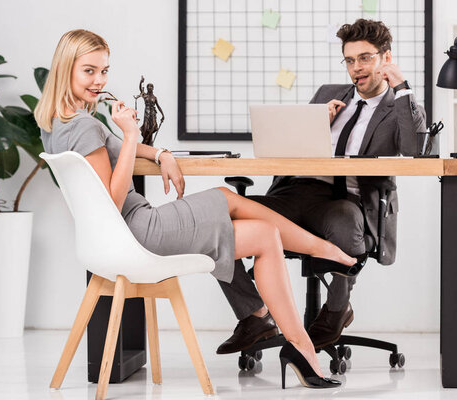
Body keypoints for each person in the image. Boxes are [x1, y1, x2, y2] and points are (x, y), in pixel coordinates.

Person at [34, 29, 364, 389]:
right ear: (66, 69)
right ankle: (323, 254)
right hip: (137, 231)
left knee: (264, 235)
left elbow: (113, 149)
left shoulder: (60, 122)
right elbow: (110, 203)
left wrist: (159, 153)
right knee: (226, 196)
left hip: (120, 237)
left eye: (104, 71)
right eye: (89, 71)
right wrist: (131, 136)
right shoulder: (84, 127)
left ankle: (292, 341)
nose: (99, 80)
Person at [216, 19, 426, 354]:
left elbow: (415, 149)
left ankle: (336, 309)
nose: (355, 68)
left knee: (344, 221)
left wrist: (403, 89)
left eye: (365, 58)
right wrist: (316, 124)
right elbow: (285, 150)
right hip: (294, 192)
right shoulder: (329, 94)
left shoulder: (399, 106)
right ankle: (254, 313)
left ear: (386, 58)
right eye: (349, 59)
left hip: (346, 199)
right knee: (218, 224)